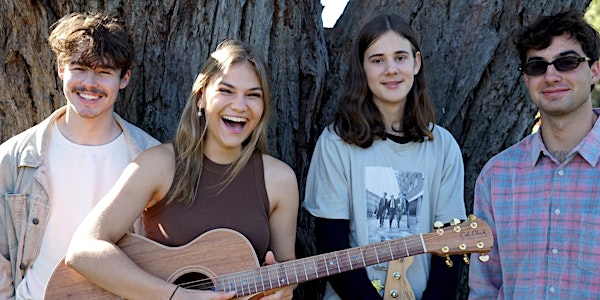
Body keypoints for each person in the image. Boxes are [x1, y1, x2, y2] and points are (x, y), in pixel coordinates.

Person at [65, 39, 298, 300]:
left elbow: (286, 271)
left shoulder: (279, 180)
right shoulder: (159, 164)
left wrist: (285, 291)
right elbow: (83, 250)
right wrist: (175, 295)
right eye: (226, 91)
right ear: (201, 97)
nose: (240, 106)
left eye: (253, 95)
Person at [304, 13, 467, 300]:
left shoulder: (442, 146)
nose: (390, 69)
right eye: (377, 60)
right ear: (363, 69)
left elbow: (450, 248)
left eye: (400, 57)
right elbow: (332, 249)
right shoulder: (336, 144)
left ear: (416, 63)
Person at [0, 12, 160, 299]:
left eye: (104, 72)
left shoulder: (149, 159)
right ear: (61, 69)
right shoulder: (15, 157)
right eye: (80, 68)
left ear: (124, 79)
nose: (89, 83)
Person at [469, 9, 600, 299]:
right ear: (527, 80)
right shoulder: (496, 177)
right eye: (537, 67)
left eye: (566, 62)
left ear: (594, 71)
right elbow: (484, 289)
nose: (551, 76)